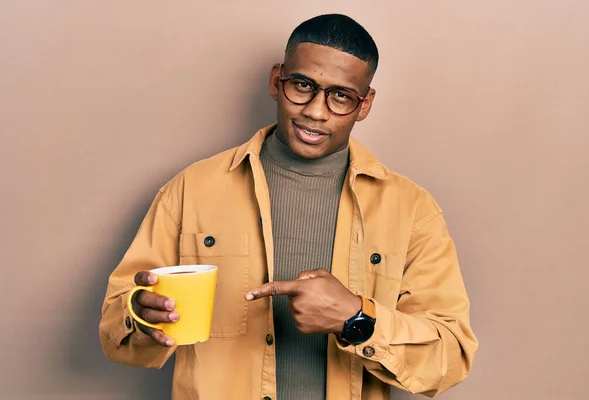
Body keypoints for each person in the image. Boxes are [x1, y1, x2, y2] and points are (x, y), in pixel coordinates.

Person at [99, 13, 478, 400]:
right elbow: (116, 323)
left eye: (341, 96)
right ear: (275, 81)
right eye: (302, 85)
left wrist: (356, 318)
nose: (315, 110)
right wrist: (142, 318)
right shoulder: (190, 190)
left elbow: (450, 356)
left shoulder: (412, 210)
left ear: (365, 104)